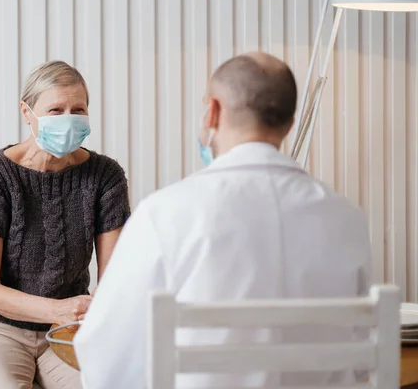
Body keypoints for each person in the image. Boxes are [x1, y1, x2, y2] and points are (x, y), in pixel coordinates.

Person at [73, 52, 371, 388]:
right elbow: (361, 358)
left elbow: (107, 353)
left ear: (213, 111)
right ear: (289, 123)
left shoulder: (166, 214)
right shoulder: (347, 219)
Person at [0, 60, 131, 389]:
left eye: (78, 109)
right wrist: (58, 309)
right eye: (55, 110)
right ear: (26, 112)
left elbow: (112, 280)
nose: (68, 119)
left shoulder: (105, 176)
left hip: (66, 332)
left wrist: (89, 317)